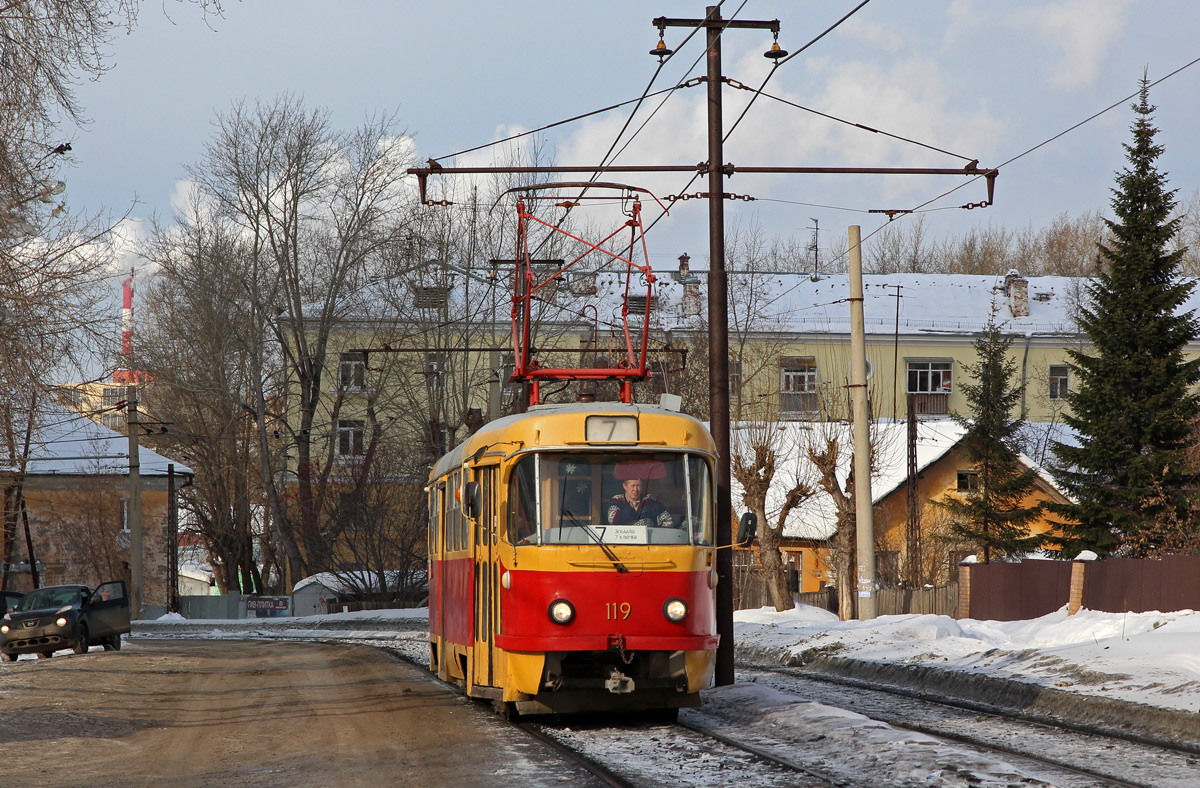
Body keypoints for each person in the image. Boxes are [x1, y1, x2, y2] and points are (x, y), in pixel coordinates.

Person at [606, 477, 674, 528]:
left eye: (638, 486)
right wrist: (633, 510)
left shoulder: (650, 500)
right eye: (633, 486)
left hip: (648, 543)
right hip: (623, 542)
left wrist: (657, 536)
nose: (636, 489)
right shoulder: (617, 500)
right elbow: (612, 520)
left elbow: (669, 521)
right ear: (625, 486)